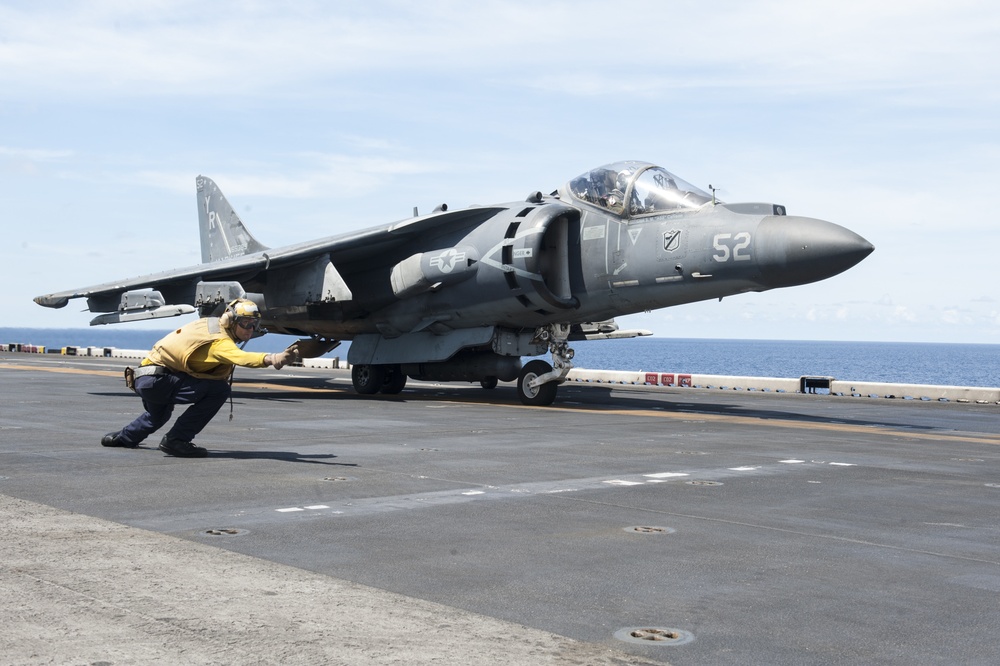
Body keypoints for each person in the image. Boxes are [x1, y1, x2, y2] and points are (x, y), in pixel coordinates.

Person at [100, 299, 297, 458]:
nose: (250, 329)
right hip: (157, 381)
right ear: (230, 321)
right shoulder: (219, 342)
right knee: (218, 390)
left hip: (148, 378)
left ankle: (125, 438)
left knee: (159, 415)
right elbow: (241, 357)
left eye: (254, 324)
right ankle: (177, 440)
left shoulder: (208, 325)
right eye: (245, 323)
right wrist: (273, 358)